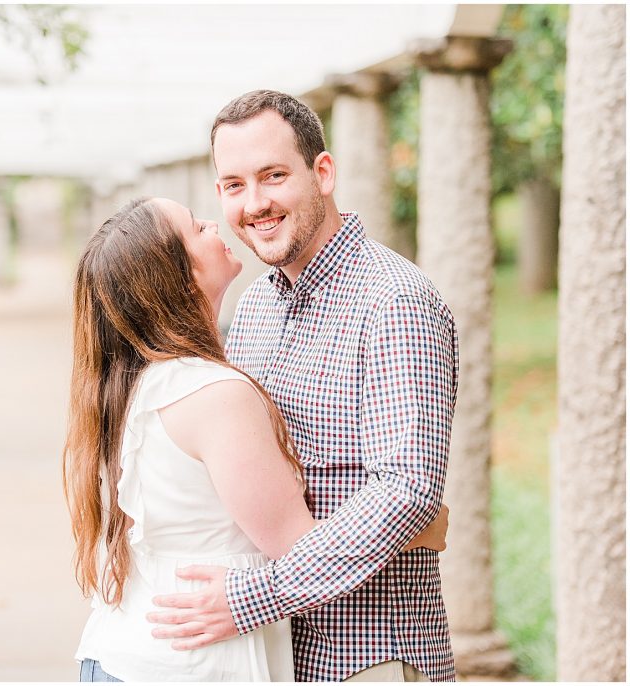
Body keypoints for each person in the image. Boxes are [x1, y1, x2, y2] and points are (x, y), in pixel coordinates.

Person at [64, 196, 448, 682]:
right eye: (193, 228)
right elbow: (298, 546)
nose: (211, 222)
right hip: (189, 665)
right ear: (177, 277)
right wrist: (419, 528)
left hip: (122, 651)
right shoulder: (216, 393)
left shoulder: (140, 380)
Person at [147, 90, 458, 682]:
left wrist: (251, 597)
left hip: (367, 656)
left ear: (323, 173)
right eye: (234, 184)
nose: (255, 203)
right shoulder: (256, 305)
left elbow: (407, 492)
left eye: (273, 176)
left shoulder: (395, 302)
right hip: (271, 655)